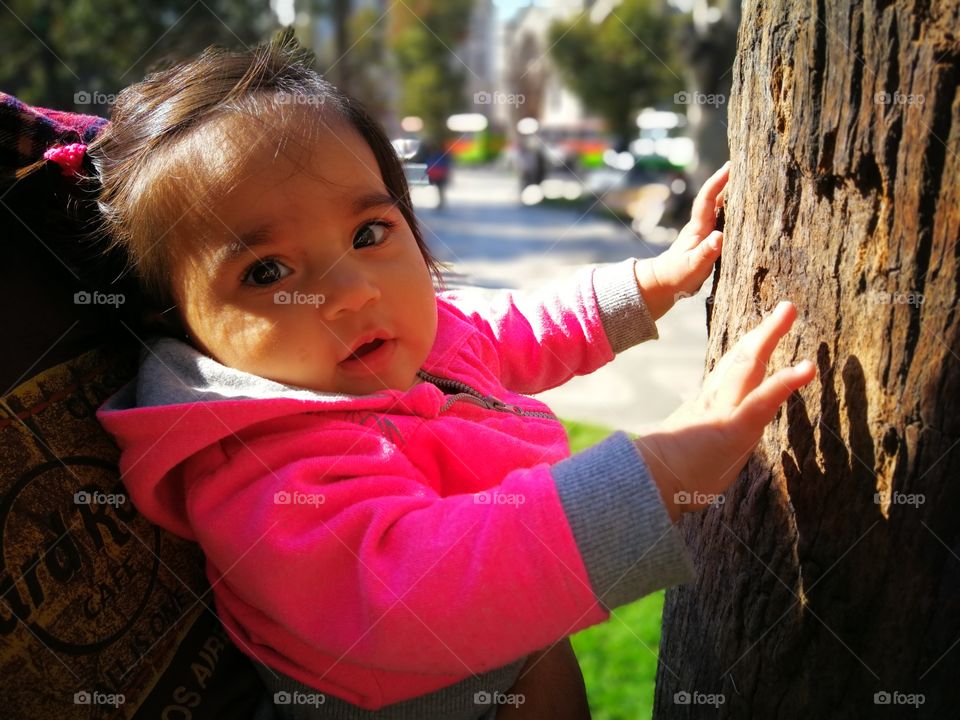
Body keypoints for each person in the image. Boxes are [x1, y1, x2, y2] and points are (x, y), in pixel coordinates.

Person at [79, 34, 816, 720]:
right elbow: (412, 593)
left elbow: (521, 327)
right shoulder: (259, 465)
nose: (352, 291)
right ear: (181, 323)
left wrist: (651, 284)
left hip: (516, 651)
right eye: (267, 271)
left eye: (369, 233)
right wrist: (657, 471)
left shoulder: (409, 334)